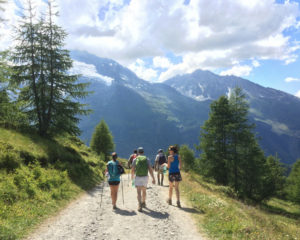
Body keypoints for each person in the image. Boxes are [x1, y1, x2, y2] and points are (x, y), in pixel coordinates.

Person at [131, 147, 155, 212]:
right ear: (143, 152)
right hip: (145, 177)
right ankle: (143, 202)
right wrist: (153, 178)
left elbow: (132, 169)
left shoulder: (135, 159)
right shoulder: (147, 159)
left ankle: (139, 205)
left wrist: (132, 177)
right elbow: (150, 169)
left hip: (138, 176)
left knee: (138, 192)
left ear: (138, 152)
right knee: (144, 191)